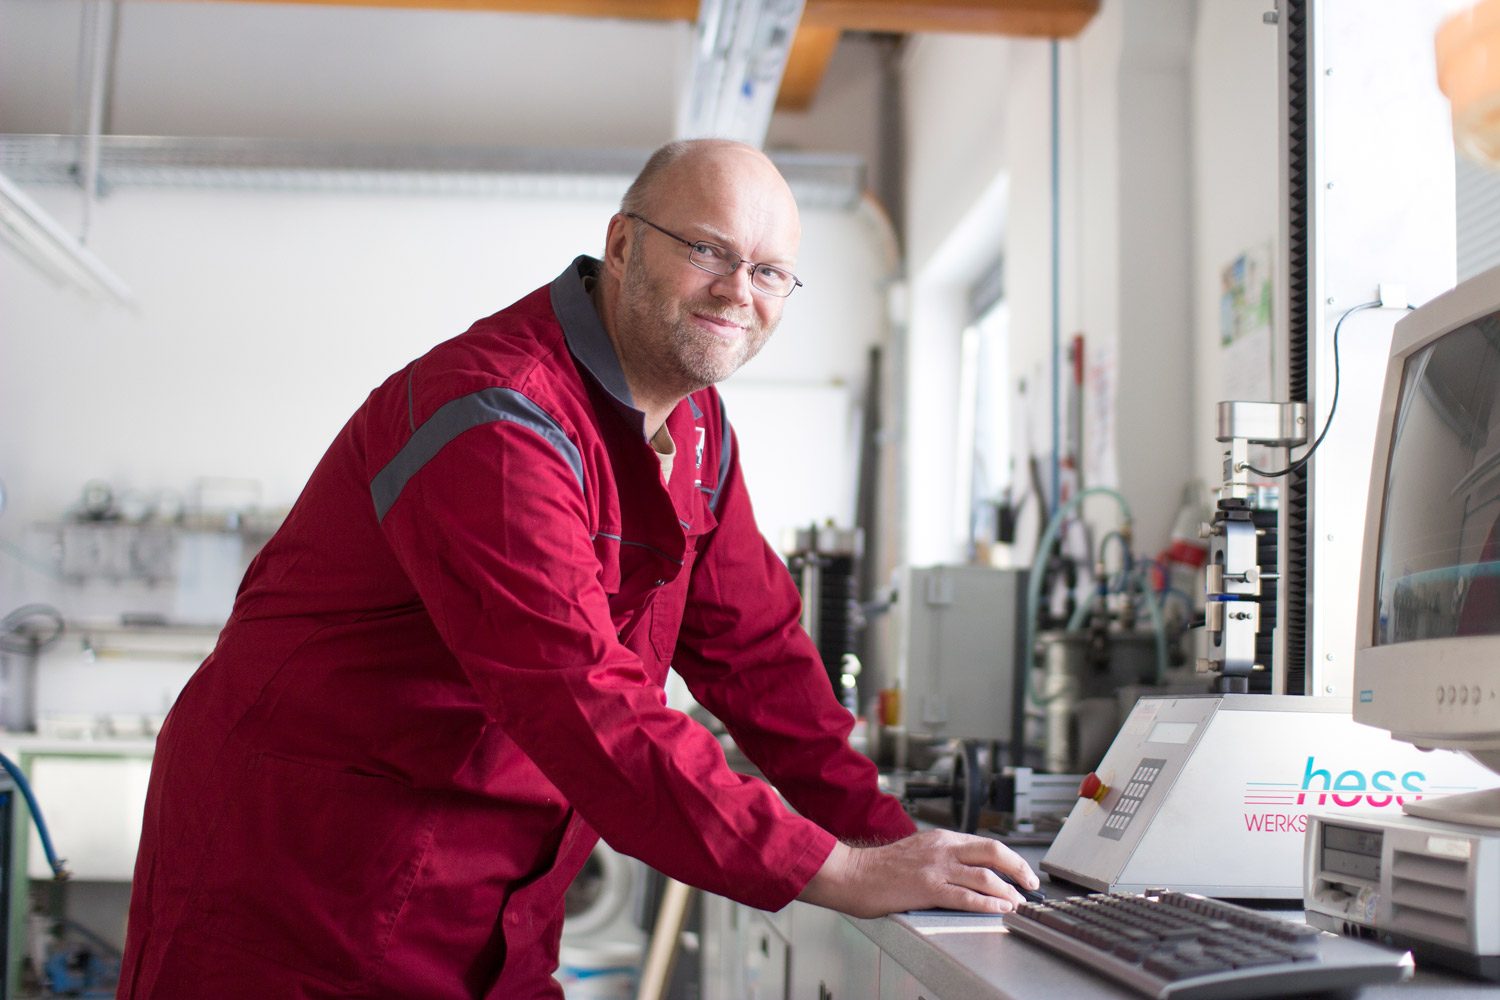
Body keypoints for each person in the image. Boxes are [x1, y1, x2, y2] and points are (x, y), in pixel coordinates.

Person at [118, 138, 1036, 999]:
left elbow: (757, 656)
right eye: (708, 251)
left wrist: (894, 840)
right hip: (303, 883)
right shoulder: (493, 415)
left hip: (491, 892)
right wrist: (835, 870)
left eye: (768, 272)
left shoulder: (698, 429)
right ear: (624, 246)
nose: (737, 291)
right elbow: (579, 699)